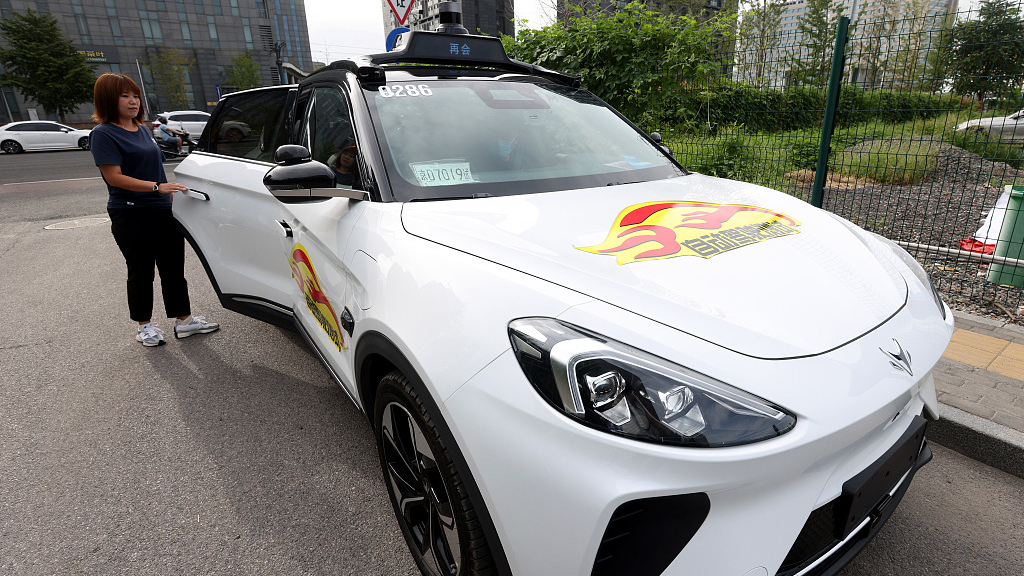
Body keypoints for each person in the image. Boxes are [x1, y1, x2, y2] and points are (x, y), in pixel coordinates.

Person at [89, 73, 219, 346]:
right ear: (108, 99)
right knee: (141, 270)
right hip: (130, 212)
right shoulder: (103, 133)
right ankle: (144, 326)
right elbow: (114, 176)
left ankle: (184, 321)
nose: (133, 101)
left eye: (135, 95)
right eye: (124, 95)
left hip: (162, 209)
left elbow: (156, 167)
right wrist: (156, 188)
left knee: (174, 267)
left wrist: (168, 193)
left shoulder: (144, 129)